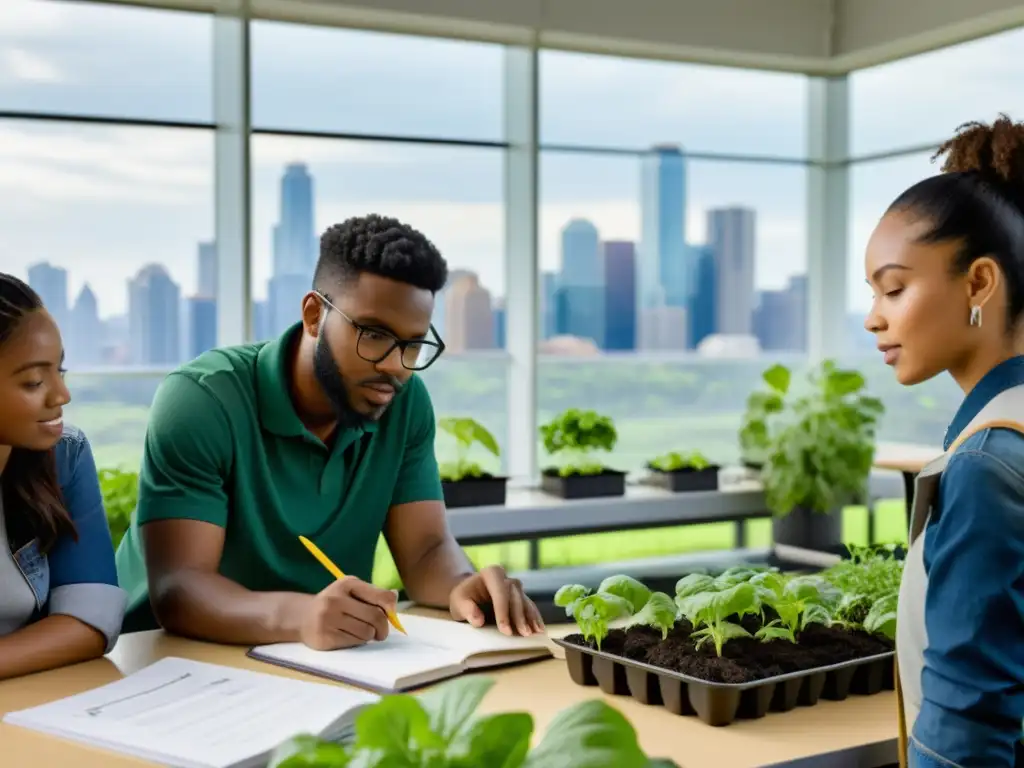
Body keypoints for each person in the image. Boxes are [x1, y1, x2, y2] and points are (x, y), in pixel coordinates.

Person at [116, 214, 544, 648]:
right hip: (160, 660)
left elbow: (426, 549)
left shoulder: (403, 401)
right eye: (375, 334)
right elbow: (180, 589)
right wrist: (302, 616)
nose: (395, 366)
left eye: (413, 344)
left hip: (315, 657)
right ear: (314, 314)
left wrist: (460, 586)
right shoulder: (202, 399)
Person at [864, 114, 1024, 767]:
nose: (875, 317)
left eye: (894, 288)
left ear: (979, 283)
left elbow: (965, 737)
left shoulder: (987, 465)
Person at [0, 273, 126, 680]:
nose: (61, 395)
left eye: (60, 370)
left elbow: (91, 620)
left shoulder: (64, 456)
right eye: (35, 380)